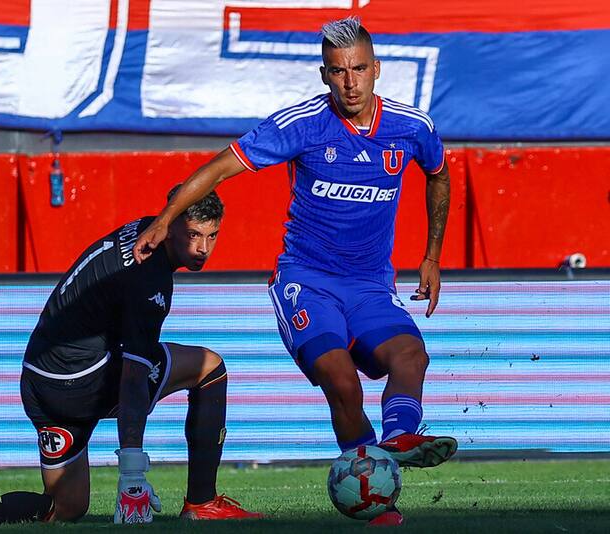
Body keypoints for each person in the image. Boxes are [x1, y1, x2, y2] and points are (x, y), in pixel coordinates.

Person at [132, 17, 457, 526]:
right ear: (323, 75)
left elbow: (438, 175)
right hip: (307, 282)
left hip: (371, 284)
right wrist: (165, 219)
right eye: (337, 71)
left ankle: (394, 443)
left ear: (377, 70)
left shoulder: (412, 126)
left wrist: (432, 256)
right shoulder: (300, 124)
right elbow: (220, 167)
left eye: (358, 69)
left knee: (411, 356)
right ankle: (377, 501)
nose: (349, 81)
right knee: (342, 380)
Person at [0, 186, 261, 528]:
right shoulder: (149, 276)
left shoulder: (139, 230)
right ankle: (203, 502)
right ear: (171, 224)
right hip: (82, 382)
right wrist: (132, 475)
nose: (202, 248)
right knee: (210, 367)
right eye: (193, 234)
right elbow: (133, 378)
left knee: (67, 506)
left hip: (39, 382)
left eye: (212, 235)